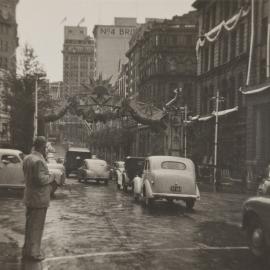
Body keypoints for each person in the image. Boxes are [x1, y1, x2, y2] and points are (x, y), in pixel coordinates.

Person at [22, 136, 57, 261]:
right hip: (39, 199)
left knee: (29, 226)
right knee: (36, 227)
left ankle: (26, 250)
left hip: (29, 197)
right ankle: (34, 253)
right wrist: (52, 177)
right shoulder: (38, 161)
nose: (46, 150)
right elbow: (41, 180)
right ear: (42, 147)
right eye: (45, 147)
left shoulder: (27, 158)